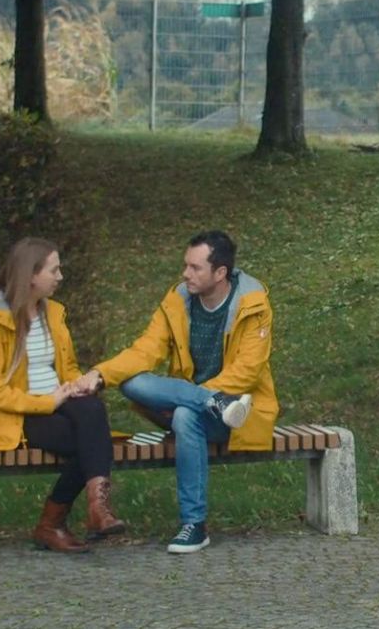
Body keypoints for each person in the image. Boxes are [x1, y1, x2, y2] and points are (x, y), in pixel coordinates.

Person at [87, 230, 277, 554]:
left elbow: (248, 371)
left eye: (195, 267)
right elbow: (145, 351)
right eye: (186, 265)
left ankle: (194, 524)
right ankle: (211, 402)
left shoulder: (253, 304)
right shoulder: (179, 300)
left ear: (220, 273)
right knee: (132, 382)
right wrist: (100, 374)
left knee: (187, 415)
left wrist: (193, 398)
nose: (185, 273)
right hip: (197, 403)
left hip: (237, 415)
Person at [0, 237, 125, 554]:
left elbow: (67, 367)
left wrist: (76, 385)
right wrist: (46, 402)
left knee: (92, 409)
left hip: (58, 402)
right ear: (31, 275)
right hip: (17, 416)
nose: (60, 277)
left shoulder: (53, 314)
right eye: (54, 270)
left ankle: (96, 511)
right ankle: (53, 524)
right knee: (90, 442)